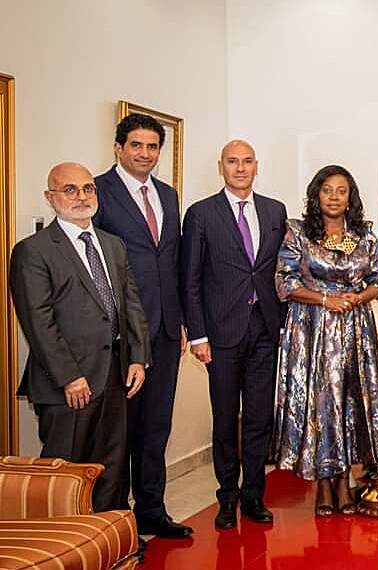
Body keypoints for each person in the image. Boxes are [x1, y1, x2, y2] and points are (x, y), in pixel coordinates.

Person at [10, 162, 150, 512]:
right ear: (50, 197)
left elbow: (131, 303)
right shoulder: (33, 250)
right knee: (66, 474)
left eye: (88, 188)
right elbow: (37, 322)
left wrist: (137, 357)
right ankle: (66, 551)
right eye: (69, 189)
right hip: (68, 385)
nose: (82, 197)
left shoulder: (112, 244)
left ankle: (109, 542)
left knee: (111, 468)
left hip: (115, 376)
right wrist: (69, 377)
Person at [92, 113, 192, 538]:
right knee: (119, 431)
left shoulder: (168, 196)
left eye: (153, 147)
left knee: (156, 426)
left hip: (167, 330)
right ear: (119, 148)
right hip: (122, 333)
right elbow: (93, 265)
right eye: (137, 145)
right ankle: (116, 520)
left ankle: (152, 510)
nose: (145, 154)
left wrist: (183, 320)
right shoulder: (98, 191)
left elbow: (173, 262)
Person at [181, 140, 288, 529]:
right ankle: (226, 497)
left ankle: (253, 496)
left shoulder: (275, 211)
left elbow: (281, 271)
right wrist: (197, 335)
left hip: (264, 329)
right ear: (220, 167)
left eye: (246, 162)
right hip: (221, 334)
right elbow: (190, 280)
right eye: (232, 162)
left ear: (256, 167)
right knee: (225, 417)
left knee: (259, 417)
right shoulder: (200, 214)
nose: (240, 168)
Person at [274, 165, 378, 517]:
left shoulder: (365, 236)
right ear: (316, 195)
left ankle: (346, 481)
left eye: (342, 190)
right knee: (321, 405)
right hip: (314, 328)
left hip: (355, 329)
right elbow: (286, 282)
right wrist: (326, 299)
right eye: (328, 190)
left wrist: (360, 297)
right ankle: (324, 483)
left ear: (350, 196)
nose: (335, 197)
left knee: (351, 402)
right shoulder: (298, 233)